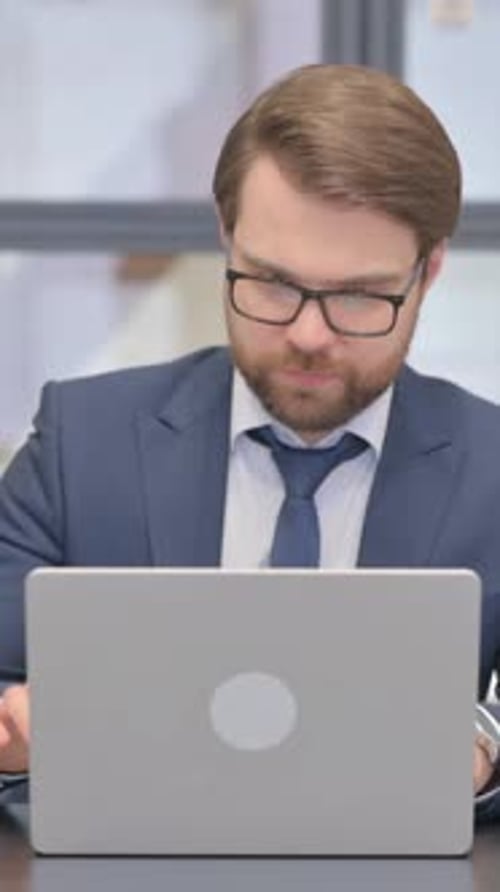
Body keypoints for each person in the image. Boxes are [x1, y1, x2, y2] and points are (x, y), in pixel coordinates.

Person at [1, 63, 500, 817]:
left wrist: (482, 749)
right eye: (271, 282)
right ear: (226, 236)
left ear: (427, 272)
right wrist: (13, 740)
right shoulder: (82, 443)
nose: (308, 335)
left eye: (359, 296)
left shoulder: (492, 468)